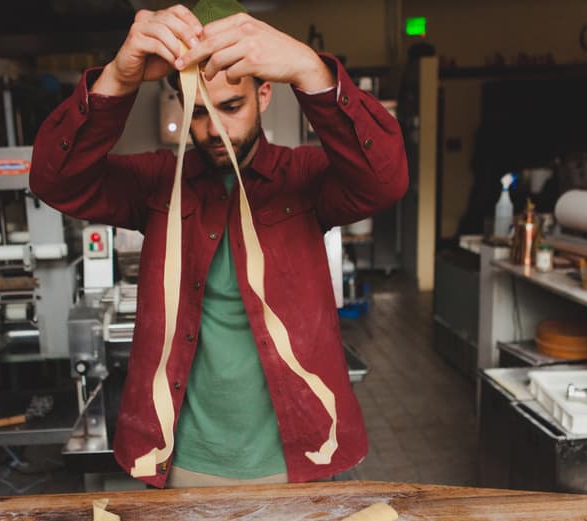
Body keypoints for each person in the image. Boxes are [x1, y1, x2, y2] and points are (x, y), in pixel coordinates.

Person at [29, 0, 408, 488]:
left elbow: (386, 181)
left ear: (264, 93)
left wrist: (310, 70)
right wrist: (117, 79)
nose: (214, 131)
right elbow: (54, 180)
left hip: (299, 458)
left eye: (231, 108)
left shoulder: (305, 178)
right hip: (187, 460)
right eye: (200, 113)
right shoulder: (158, 183)